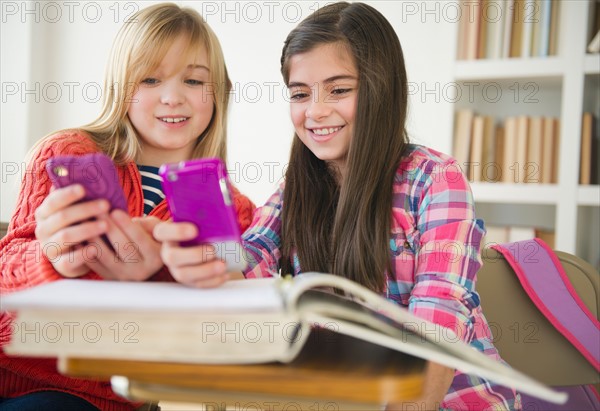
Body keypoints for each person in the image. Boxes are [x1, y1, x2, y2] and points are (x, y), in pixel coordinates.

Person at [155, 2, 521, 410]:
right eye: (299, 94)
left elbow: (436, 325)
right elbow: (246, 261)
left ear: (382, 88)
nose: (315, 111)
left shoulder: (436, 179)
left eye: (339, 89)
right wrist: (205, 245)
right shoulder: (296, 188)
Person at [0, 3, 255, 410]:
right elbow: (6, 273)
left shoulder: (235, 209)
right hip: (25, 382)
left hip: (123, 397)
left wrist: (182, 277)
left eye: (193, 80)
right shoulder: (68, 153)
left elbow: (223, 321)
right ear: (121, 87)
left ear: (218, 92)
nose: (173, 97)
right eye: (150, 79)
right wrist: (53, 259)